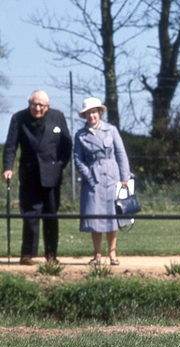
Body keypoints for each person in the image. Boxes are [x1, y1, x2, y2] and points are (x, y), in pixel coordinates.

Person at [3, 90, 73, 265]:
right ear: (29, 103)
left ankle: (51, 256)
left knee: (51, 215)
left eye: (41, 105)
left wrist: (60, 165)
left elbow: (67, 145)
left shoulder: (58, 117)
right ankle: (27, 254)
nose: (38, 108)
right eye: (34, 104)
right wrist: (8, 168)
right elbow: (11, 146)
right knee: (30, 215)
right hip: (30, 175)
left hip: (52, 175)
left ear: (48, 106)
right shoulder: (19, 118)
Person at [73, 97, 131, 266]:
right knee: (95, 216)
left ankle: (112, 254)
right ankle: (97, 254)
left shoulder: (111, 130)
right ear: (85, 116)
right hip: (93, 180)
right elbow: (78, 159)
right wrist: (89, 176)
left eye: (94, 112)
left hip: (112, 177)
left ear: (99, 113)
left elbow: (121, 153)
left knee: (113, 216)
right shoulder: (80, 135)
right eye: (88, 113)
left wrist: (124, 177)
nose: (92, 116)